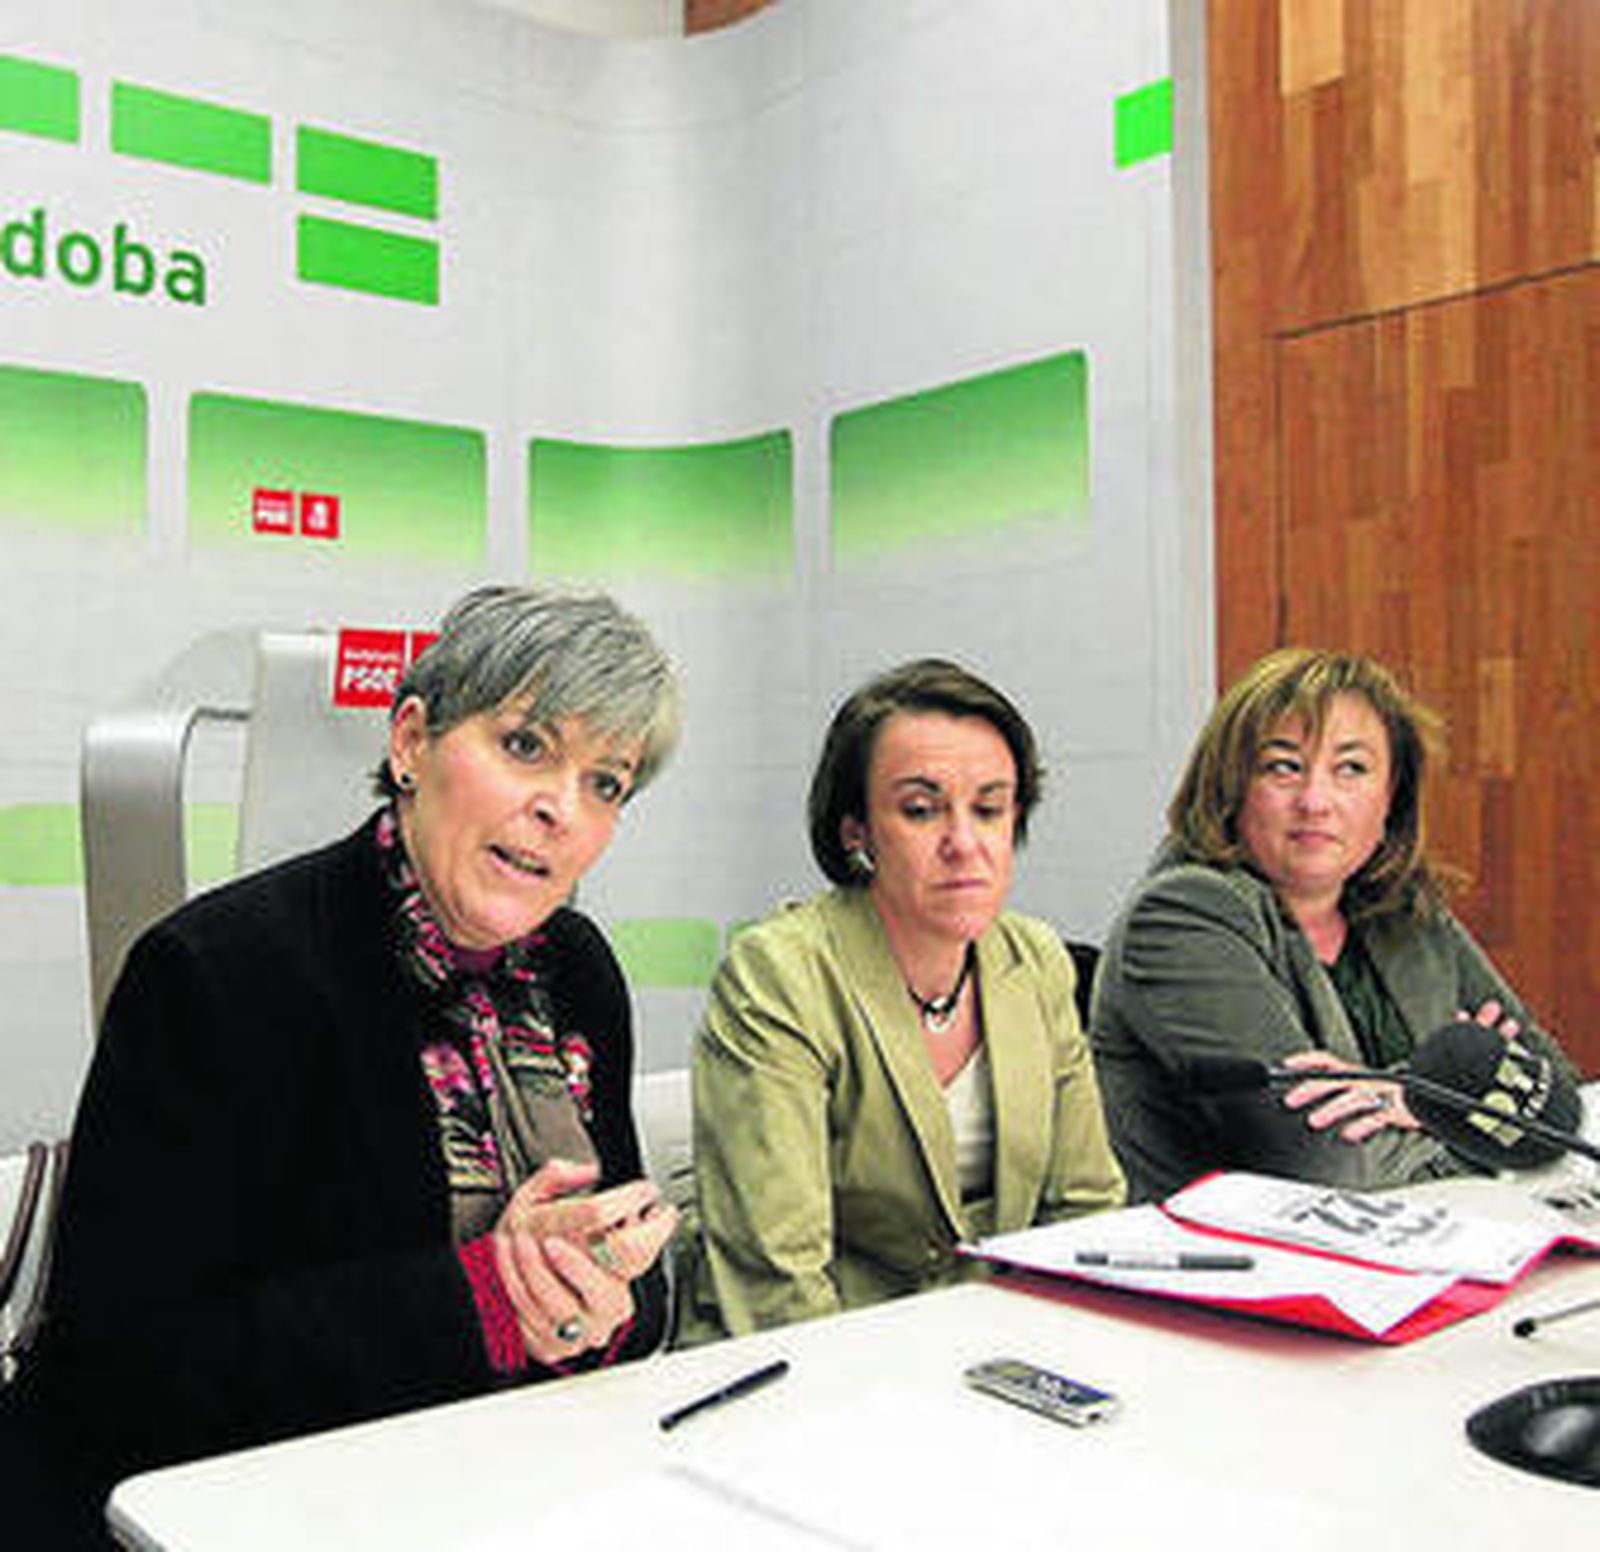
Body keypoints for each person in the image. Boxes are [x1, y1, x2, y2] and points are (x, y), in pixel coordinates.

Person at [9, 585, 682, 1546]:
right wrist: (483, 1299)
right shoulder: (216, 974)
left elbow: (619, 1253)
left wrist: (601, 1294)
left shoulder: (577, 972)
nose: (558, 809)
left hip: (499, 1490)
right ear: (411, 742)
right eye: (525, 745)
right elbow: (122, 1372)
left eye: (605, 782)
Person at [687, 658, 1124, 1338]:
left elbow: (1087, 1210)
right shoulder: (779, 973)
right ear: (856, 830)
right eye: (921, 811)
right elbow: (779, 1278)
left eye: (990, 809)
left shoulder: (1035, 960)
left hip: (1000, 1349)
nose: (964, 844)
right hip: (810, 1358)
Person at [1091, 646, 1573, 1202]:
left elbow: (1554, 1100)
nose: (1316, 801)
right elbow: (1328, 1166)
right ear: (1231, 786)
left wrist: (1404, 1100)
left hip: (1425, 1250)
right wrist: (1457, 1110)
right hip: (1233, 1270)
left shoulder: (1403, 908)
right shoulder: (1180, 917)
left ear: (1391, 797)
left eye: (1351, 769)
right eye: (1284, 767)